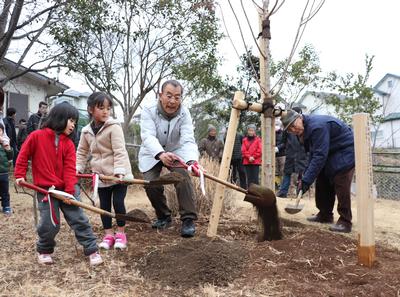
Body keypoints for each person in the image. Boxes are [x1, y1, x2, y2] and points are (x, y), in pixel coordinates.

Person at [14, 102, 103, 265]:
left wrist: (70, 192)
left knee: (79, 219)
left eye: (74, 122)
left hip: (67, 190)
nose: (73, 124)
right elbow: (23, 156)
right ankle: (44, 250)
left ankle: (91, 249)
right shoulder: (36, 136)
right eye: (71, 120)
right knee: (49, 223)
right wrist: (19, 175)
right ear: (60, 118)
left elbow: (70, 169)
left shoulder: (68, 144)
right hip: (46, 191)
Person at [139, 79, 199, 238]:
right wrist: (160, 154)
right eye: (169, 96)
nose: (172, 101)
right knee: (151, 183)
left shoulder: (185, 113)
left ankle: (188, 219)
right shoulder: (148, 110)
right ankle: (164, 216)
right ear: (160, 95)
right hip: (152, 152)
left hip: (176, 151)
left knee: (182, 176)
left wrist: (192, 161)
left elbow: (188, 139)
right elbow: (147, 136)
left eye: (177, 97)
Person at [281, 109, 355, 233]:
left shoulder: (317, 127)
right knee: (322, 179)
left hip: (345, 150)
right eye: (290, 130)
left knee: (340, 180)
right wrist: (305, 178)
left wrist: (307, 181)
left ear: (300, 118)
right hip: (330, 151)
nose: (294, 130)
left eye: (293, 125)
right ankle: (325, 215)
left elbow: (320, 156)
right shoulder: (304, 132)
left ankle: (345, 221)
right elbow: (312, 154)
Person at [77, 92, 133, 250]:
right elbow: (81, 152)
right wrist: (78, 169)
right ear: (90, 109)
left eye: (108, 108)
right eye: (101, 108)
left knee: (118, 202)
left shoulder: (114, 127)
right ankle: (108, 235)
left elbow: (120, 150)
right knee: (104, 206)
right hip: (100, 176)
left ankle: (121, 233)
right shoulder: (86, 131)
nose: (105, 111)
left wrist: (120, 171)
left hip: (119, 174)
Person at [276, 107, 308, 198]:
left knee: (301, 175)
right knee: (287, 173)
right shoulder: (287, 129)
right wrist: (278, 148)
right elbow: (283, 142)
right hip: (290, 154)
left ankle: (300, 193)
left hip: (301, 153)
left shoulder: (303, 127)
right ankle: (283, 193)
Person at [241, 124, 262, 188]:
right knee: (249, 178)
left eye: (252, 130)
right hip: (247, 162)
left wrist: (253, 157)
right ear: (247, 131)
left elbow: (260, 150)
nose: (251, 132)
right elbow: (243, 150)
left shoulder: (258, 139)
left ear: (254, 131)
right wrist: (249, 157)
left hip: (255, 162)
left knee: (255, 179)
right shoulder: (244, 140)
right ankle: (250, 192)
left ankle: (257, 192)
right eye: (249, 130)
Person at [0, 123, 13, 215]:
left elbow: (10, 157)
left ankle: (6, 206)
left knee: (5, 190)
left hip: (3, 172)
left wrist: (8, 148)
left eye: (0, 131)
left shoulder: (4, 142)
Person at [275, 120, 286, 188]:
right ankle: (277, 185)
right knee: (275, 172)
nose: (276, 126)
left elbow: (285, 143)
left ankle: (282, 185)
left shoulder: (283, 133)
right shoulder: (272, 133)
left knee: (282, 171)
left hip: (282, 155)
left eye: (277, 125)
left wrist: (278, 148)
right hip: (274, 155)